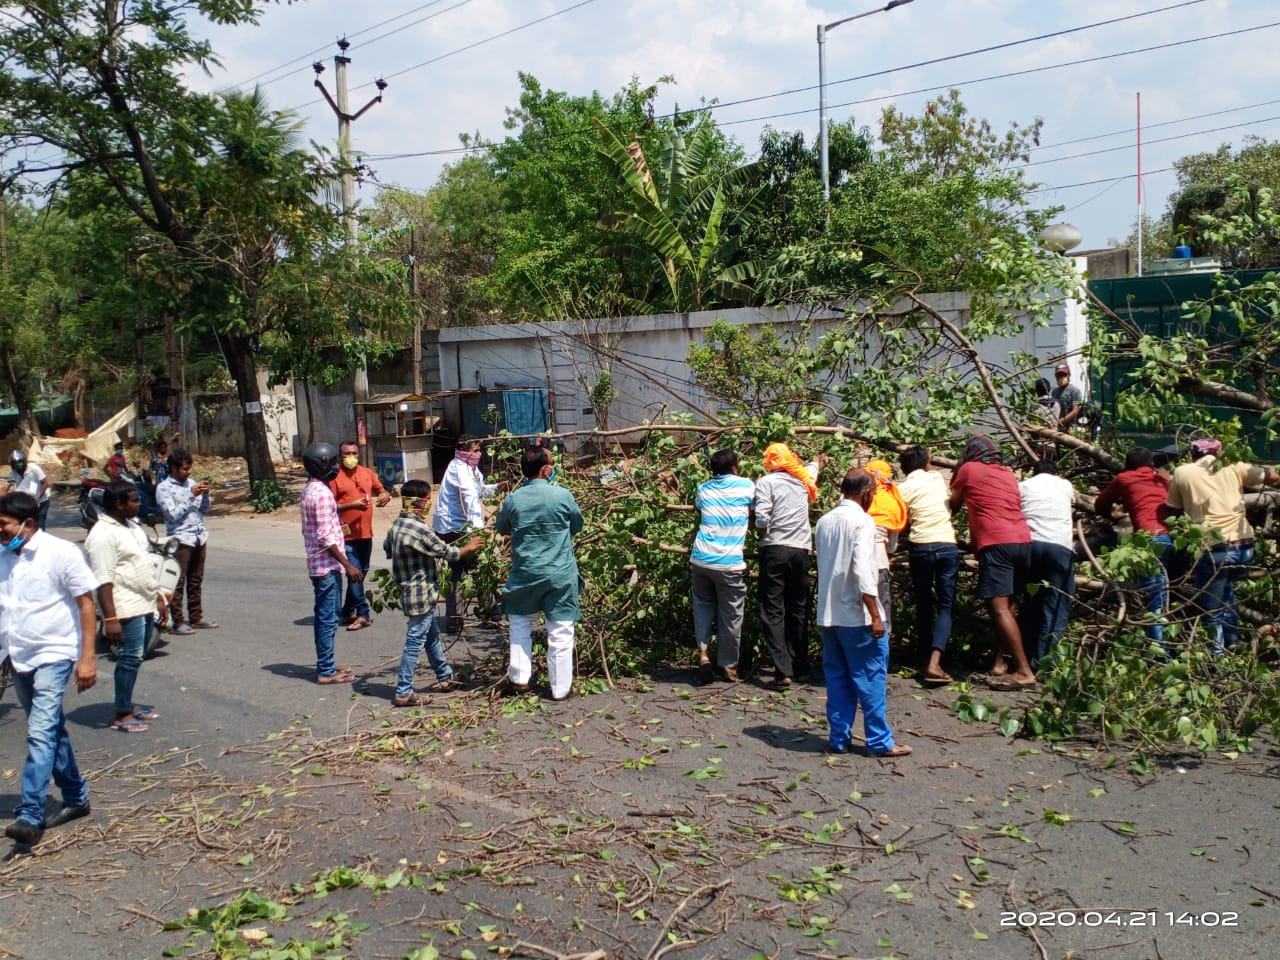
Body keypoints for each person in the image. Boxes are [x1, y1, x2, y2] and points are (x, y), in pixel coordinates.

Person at [0, 492, 98, 846]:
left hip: (54, 654)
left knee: (39, 732)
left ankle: (29, 813)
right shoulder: (3, 557)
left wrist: (87, 657)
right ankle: (75, 796)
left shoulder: (61, 553)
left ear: (27, 523)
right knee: (51, 728)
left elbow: (86, 605)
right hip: (18, 656)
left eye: (3, 525)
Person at [814, 468, 911, 758]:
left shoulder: (824, 521)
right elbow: (863, 572)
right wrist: (875, 615)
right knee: (870, 678)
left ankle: (839, 737)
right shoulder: (863, 523)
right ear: (867, 493)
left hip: (829, 615)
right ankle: (880, 741)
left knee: (838, 678)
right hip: (857, 616)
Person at [1163, 437, 1280, 654]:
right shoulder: (1233, 465)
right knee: (1227, 591)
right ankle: (1232, 641)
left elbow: (1173, 509)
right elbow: (1271, 476)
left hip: (1214, 549)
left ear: (1193, 454)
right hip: (1245, 547)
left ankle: (1217, 660)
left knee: (1210, 608)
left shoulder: (1182, 472)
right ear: (1219, 453)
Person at [383, 479, 483, 706]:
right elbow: (446, 552)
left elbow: (388, 549)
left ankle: (445, 677)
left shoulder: (397, 526)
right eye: (427, 500)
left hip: (408, 591)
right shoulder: (418, 529)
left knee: (431, 636)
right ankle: (404, 691)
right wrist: (469, 548)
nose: (429, 504)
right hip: (421, 592)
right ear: (418, 503)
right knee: (414, 641)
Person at [948, 435, 1037, 690]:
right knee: (1007, 607)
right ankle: (1000, 663)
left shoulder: (968, 469)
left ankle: (1023, 671)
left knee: (997, 608)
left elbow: (953, 506)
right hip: (1022, 540)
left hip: (996, 543)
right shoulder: (1008, 474)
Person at [495, 445, 583, 700]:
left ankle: (520, 678)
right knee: (561, 630)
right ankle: (560, 689)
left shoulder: (514, 499)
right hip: (559, 572)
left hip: (526, 571)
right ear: (546, 470)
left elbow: (502, 527)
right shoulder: (563, 495)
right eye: (552, 464)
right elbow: (576, 524)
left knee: (520, 624)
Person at [84, 480, 163, 733]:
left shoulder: (131, 526)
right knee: (129, 658)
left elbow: (144, 561)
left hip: (144, 600)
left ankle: (126, 702)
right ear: (119, 504)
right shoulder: (102, 535)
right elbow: (103, 580)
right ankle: (121, 713)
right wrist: (110, 619)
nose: (139, 504)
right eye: (134, 500)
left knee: (137, 657)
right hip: (125, 606)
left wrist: (158, 596)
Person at [1093, 446, 1178, 643]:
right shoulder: (1163, 478)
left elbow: (1100, 504)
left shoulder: (1124, 479)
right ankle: (1173, 646)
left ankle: (1160, 654)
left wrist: (1111, 515)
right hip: (1171, 537)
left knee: (1154, 600)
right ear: (1151, 464)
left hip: (1148, 539)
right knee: (1165, 594)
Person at [753, 442, 819, 688]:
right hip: (801, 550)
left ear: (769, 461)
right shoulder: (803, 480)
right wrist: (817, 460)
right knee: (798, 608)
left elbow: (762, 516)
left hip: (775, 549)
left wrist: (762, 534)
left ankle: (782, 671)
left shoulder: (766, 483)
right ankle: (800, 667)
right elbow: (813, 468)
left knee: (773, 609)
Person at [300, 442, 366, 684]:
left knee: (324, 616)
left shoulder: (310, 489)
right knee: (328, 618)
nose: (338, 466)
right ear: (323, 465)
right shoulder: (322, 495)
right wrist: (348, 565)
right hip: (326, 566)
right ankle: (326, 670)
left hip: (319, 564)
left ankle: (327, 664)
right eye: (333, 463)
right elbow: (325, 537)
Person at [690, 449, 755, 684]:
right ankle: (728, 665)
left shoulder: (703, 489)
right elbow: (755, 507)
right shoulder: (746, 485)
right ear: (735, 468)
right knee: (731, 615)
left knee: (703, 607)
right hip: (729, 563)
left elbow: (699, 507)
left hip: (700, 558)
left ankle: (704, 655)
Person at [897, 446, 959, 685]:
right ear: (927, 464)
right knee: (946, 604)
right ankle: (935, 660)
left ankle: (925, 659)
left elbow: (900, 519)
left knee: (923, 602)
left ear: (904, 469)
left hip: (920, 546)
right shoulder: (935, 478)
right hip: (945, 544)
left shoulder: (903, 488)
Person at [1017, 460, 1076, 665]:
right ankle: (1046, 663)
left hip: (1030, 545)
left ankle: (1024, 658)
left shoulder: (1023, 486)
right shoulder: (1065, 485)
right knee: (1055, 604)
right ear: (1055, 472)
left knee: (1030, 602)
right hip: (1059, 547)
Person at [328, 440, 391, 631]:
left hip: (365, 534)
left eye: (354, 453)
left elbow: (381, 489)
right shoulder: (334, 477)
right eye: (346, 454)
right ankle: (363, 613)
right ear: (340, 457)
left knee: (361, 573)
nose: (351, 458)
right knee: (354, 573)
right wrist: (351, 505)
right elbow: (330, 506)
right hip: (345, 536)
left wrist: (384, 495)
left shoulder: (366, 473)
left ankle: (347, 611)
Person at [433, 435, 491, 632]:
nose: (478, 454)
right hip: (454, 528)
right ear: (464, 451)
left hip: (459, 525)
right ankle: (483, 614)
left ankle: (457, 618)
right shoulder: (460, 470)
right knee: (476, 567)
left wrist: (499, 488)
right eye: (474, 450)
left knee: (461, 570)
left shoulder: (470, 469)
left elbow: (480, 491)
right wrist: (479, 531)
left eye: (479, 450)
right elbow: (471, 499)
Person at [156, 448, 215, 635]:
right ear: (173, 468)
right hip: (180, 539)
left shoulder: (192, 483)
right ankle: (178, 621)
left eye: (189, 468)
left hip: (198, 536)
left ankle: (196, 617)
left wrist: (205, 494)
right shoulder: (164, 488)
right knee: (178, 582)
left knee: (196, 580)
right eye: (184, 469)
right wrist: (191, 495)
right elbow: (172, 515)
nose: (188, 472)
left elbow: (203, 510)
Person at [864, 459, 908, 642]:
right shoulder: (891, 500)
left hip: (851, 562)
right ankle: (882, 651)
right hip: (879, 560)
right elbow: (892, 546)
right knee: (881, 608)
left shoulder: (857, 494)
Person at [5, 449, 51, 530]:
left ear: (24, 461)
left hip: (42, 499)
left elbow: (46, 483)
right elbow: (5, 488)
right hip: (26, 502)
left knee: (40, 523)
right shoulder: (12, 474)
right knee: (27, 524)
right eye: (15, 463)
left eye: (19, 462)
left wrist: (37, 499)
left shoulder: (33, 468)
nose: (18, 465)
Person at [1050, 363, 1082, 431]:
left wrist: (1060, 421)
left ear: (1069, 375)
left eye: (1064, 375)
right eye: (1059, 375)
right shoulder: (1054, 392)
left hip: (1071, 428)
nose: (1061, 377)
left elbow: (1075, 411)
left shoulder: (1074, 391)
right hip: (1057, 428)